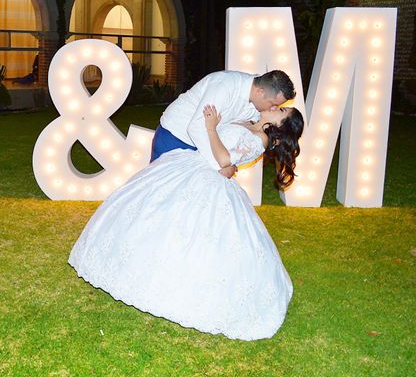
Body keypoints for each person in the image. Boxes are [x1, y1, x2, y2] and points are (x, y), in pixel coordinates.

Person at [68, 104, 304, 341]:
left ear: (280, 126)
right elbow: (225, 160)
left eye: (282, 112)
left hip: (206, 178)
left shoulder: (261, 138)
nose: (276, 108)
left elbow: (224, 159)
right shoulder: (250, 122)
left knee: (192, 232)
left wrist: (212, 129)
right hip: (191, 164)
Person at [151, 70, 296, 173]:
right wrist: (221, 167)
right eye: (273, 104)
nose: (274, 108)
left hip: (203, 152)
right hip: (175, 136)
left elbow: (251, 139)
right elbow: (196, 127)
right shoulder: (224, 85)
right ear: (260, 92)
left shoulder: (260, 101)